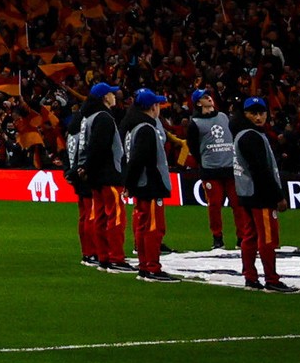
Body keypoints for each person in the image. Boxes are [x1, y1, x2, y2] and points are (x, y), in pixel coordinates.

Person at [230, 97, 290, 291]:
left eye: (261, 113)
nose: (258, 117)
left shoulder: (242, 134)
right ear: (245, 114)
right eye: (253, 113)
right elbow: (261, 170)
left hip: (246, 193)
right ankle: (271, 280)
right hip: (260, 195)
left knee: (250, 236)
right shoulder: (252, 136)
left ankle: (250, 277)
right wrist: (278, 196)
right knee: (266, 238)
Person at [119, 90, 178, 278]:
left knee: (144, 226)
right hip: (150, 185)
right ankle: (151, 267)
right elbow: (140, 160)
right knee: (154, 227)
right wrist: (134, 183)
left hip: (142, 185)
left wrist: (130, 184)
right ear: (153, 107)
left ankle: (145, 265)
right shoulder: (146, 128)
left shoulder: (134, 127)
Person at [67, 83, 125, 269]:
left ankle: (101, 255)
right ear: (104, 97)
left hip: (94, 176)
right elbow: (98, 147)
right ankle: (114, 257)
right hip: (108, 175)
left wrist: (80, 168)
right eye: (111, 93)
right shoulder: (103, 118)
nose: (115, 95)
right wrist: (84, 167)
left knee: (96, 217)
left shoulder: (86, 119)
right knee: (114, 216)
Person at [186, 86, 239, 249]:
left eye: (209, 95)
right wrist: (204, 161)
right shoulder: (194, 123)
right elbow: (193, 146)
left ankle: (243, 237)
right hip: (211, 170)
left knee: (238, 204)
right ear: (198, 103)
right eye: (204, 96)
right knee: (214, 205)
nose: (209, 98)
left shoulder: (224, 117)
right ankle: (217, 237)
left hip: (230, 167)